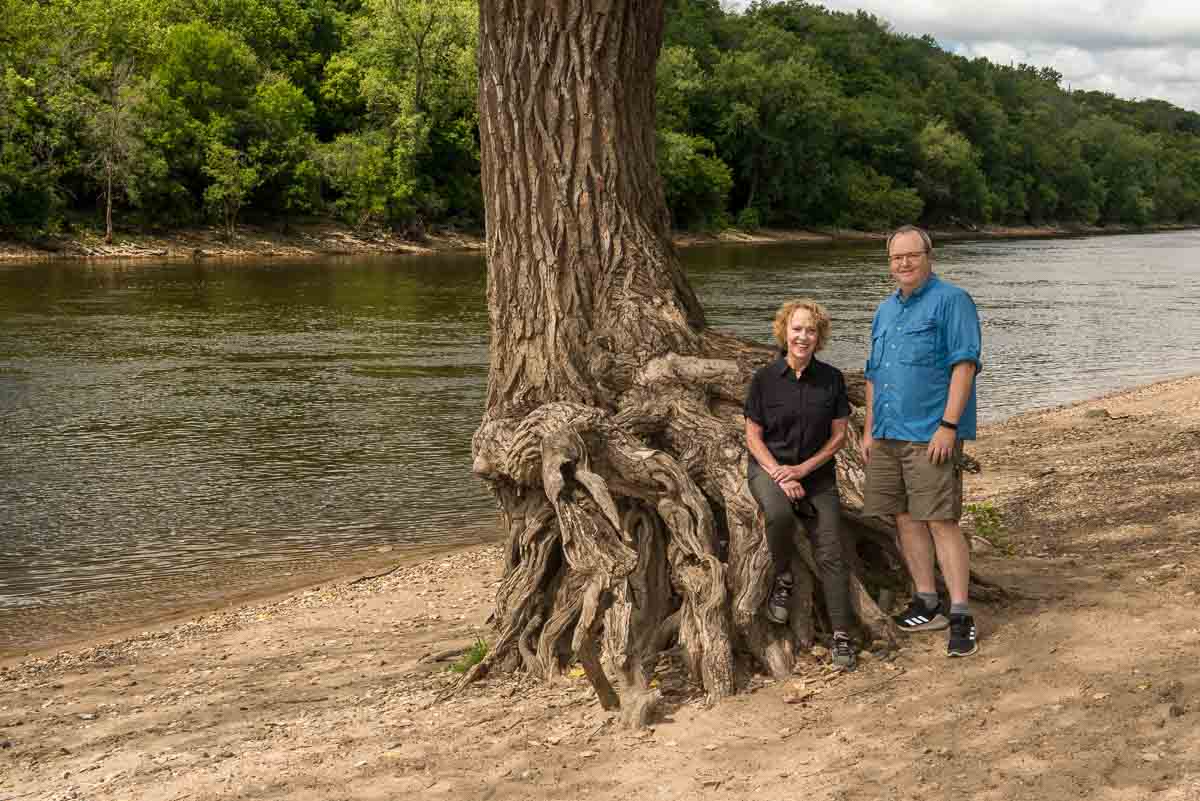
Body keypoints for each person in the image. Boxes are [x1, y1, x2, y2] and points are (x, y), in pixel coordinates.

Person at [861, 225, 983, 658]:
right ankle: (927, 602)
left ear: (929, 257)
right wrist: (869, 429)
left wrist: (948, 426)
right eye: (896, 257)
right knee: (904, 517)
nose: (904, 263)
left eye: (912, 255)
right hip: (888, 435)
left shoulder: (952, 301)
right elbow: (874, 375)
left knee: (940, 520)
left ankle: (961, 614)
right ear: (889, 263)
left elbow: (964, 366)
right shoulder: (884, 310)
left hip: (931, 434)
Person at [744, 299, 857, 671]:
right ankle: (783, 578)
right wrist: (780, 472)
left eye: (810, 330)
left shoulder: (831, 379)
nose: (803, 336)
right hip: (769, 468)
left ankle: (842, 635)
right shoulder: (763, 380)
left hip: (817, 474)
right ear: (784, 332)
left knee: (830, 548)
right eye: (797, 329)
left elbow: (839, 437)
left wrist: (804, 470)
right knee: (778, 514)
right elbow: (753, 437)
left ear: (819, 336)